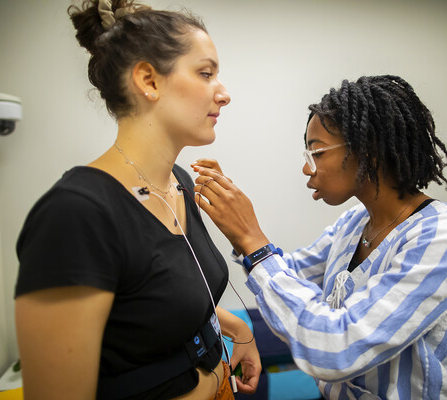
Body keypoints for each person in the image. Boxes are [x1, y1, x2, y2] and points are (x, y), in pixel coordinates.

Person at [14, 1, 261, 399]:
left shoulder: (179, 182)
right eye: (206, 73)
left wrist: (236, 327)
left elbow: (149, 300)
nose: (224, 93)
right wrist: (214, 379)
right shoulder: (76, 214)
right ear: (149, 80)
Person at [191, 75, 447, 399]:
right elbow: (288, 272)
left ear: (369, 150)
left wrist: (252, 239)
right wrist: (238, 225)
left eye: (316, 153)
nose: (307, 169)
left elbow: (339, 348)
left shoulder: (445, 236)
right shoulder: (353, 224)